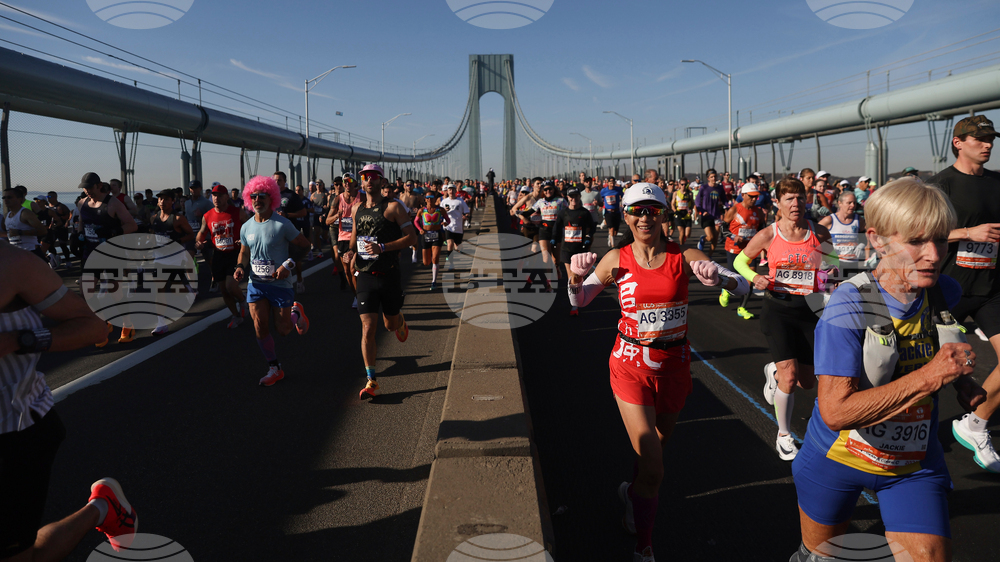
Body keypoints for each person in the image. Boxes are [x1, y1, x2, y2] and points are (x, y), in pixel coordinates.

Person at [789, 178, 984, 562]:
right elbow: (835, 411)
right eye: (915, 241)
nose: (932, 255)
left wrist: (962, 380)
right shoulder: (852, 304)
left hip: (912, 464)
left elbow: (931, 348)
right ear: (878, 240)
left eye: (941, 240)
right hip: (836, 461)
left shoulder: (943, 290)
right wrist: (932, 376)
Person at [567, 182, 748, 562]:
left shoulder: (685, 255)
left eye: (652, 210)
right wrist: (573, 279)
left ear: (663, 214)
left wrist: (721, 279)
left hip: (674, 367)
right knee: (652, 456)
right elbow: (580, 300)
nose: (644, 217)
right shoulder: (615, 258)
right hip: (630, 364)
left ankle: (634, 492)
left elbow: (743, 285)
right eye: (637, 211)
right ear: (627, 216)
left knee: (656, 453)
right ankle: (644, 546)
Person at [0, 242, 140, 560]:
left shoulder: (13, 264)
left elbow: (91, 326)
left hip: (16, 426)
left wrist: (15, 341)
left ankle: (102, 509)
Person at [733, 176, 837, 460]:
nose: (796, 204)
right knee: (790, 380)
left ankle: (774, 373)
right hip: (777, 311)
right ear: (778, 203)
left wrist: (829, 277)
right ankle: (784, 434)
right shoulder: (769, 234)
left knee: (806, 382)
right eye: (789, 199)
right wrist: (756, 277)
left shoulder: (818, 233)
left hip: (809, 312)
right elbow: (739, 261)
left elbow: (834, 263)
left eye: (800, 198)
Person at [929, 115, 1000, 473]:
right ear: (958, 142)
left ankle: (974, 424)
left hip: (991, 288)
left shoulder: (998, 182)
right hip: (948, 289)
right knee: (928, 372)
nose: (987, 145)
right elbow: (923, 230)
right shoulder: (941, 184)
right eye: (979, 139)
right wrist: (968, 231)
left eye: (991, 139)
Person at [234, 176, 311, 386]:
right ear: (249, 200)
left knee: (284, 330)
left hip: (279, 284)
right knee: (259, 324)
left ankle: (295, 312)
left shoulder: (282, 224)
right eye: (254, 196)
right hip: (256, 284)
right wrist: (240, 267)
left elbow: (305, 246)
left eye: (262, 196)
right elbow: (243, 252)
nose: (258, 200)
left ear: (272, 198)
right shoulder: (246, 227)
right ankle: (274, 367)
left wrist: (288, 265)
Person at [350, 164, 417, 399]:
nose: (368, 180)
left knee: (389, 325)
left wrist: (383, 247)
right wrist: (350, 254)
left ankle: (399, 321)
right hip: (366, 274)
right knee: (368, 328)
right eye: (364, 177)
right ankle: (372, 380)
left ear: (381, 181)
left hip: (389, 274)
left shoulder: (393, 207)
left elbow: (412, 238)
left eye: (373, 177)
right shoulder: (356, 208)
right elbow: (355, 236)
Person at [197, 184, 249, 329]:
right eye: (214, 195)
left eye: (220, 195)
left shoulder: (237, 212)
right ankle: (236, 316)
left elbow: (250, 228)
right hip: (218, 254)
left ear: (226, 197)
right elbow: (202, 232)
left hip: (235, 253)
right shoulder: (207, 216)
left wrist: (245, 240)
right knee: (224, 290)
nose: (216, 198)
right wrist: (198, 242)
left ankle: (242, 299)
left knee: (231, 286)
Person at [721, 184, 767, 319]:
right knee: (733, 276)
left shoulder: (759, 212)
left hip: (750, 250)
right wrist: (734, 236)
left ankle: (742, 307)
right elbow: (723, 229)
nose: (754, 199)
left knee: (750, 279)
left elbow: (762, 231)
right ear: (743, 195)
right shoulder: (735, 209)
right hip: (733, 248)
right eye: (751, 196)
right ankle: (726, 289)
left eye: (756, 196)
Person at [553, 188, 595, 315]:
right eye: (571, 197)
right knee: (571, 276)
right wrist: (554, 239)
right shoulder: (563, 213)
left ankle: (578, 298)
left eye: (576, 196)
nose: (574, 199)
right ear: (568, 197)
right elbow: (556, 227)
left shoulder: (585, 213)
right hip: (567, 249)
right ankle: (574, 305)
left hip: (580, 249)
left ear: (579, 197)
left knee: (578, 277)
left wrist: (588, 238)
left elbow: (591, 228)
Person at [327, 173, 365, 306]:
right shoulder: (338, 199)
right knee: (348, 271)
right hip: (343, 238)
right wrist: (337, 215)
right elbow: (327, 221)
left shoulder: (362, 197)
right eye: (344, 181)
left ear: (355, 183)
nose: (347, 183)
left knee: (355, 269)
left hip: (359, 237)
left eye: (349, 180)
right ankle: (356, 295)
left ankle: (361, 295)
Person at [274, 172, 309, 293]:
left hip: (291, 231)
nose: (277, 183)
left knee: (293, 258)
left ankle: (299, 278)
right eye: (275, 180)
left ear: (285, 181)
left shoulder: (291, 195)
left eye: (279, 180)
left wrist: (287, 215)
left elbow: (303, 212)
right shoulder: (270, 196)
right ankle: (281, 284)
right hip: (275, 233)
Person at [819, 190, 868, 276]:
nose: (852, 205)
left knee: (849, 288)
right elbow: (813, 235)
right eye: (849, 203)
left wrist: (862, 245)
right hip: (835, 263)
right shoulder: (830, 220)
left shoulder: (858, 220)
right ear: (840, 203)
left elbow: (866, 236)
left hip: (852, 263)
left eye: (854, 203)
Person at [413, 191, 450, 290]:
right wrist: (420, 229)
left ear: (435, 198)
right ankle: (433, 269)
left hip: (437, 235)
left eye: (431, 197)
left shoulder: (440, 210)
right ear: (425, 199)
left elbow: (448, 219)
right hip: (425, 236)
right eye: (427, 197)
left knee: (435, 258)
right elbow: (416, 221)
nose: (429, 199)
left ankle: (434, 281)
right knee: (426, 262)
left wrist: (445, 223)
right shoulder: (421, 210)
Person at [2, 187, 48, 260]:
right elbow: (9, 233)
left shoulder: (25, 213)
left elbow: (43, 231)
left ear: (19, 199)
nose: (6, 200)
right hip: (15, 252)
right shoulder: (6, 216)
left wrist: (20, 232)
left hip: (30, 252)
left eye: (9, 197)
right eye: (4, 197)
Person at [532, 181, 567, 273]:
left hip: (557, 231)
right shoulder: (540, 202)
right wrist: (519, 213)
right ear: (543, 191)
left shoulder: (561, 201)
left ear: (554, 189)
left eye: (550, 189)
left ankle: (556, 267)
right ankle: (549, 284)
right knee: (546, 259)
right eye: (545, 189)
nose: (548, 191)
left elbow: (569, 212)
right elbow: (530, 211)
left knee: (556, 260)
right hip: (544, 230)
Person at [694, 169, 725, 257]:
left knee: (715, 239)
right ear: (708, 178)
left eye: (715, 176)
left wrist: (729, 207)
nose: (714, 178)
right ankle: (703, 239)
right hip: (706, 216)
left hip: (716, 215)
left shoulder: (719, 188)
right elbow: (697, 202)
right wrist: (702, 211)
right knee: (710, 237)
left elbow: (724, 200)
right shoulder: (704, 188)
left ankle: (709, 256)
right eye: (712, 177)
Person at [440, 184, 471, 271]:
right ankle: (451, 264)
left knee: (458, 247)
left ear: (455, 191)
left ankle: (458, 250)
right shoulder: (444, 201)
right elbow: (439, 213)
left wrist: (465, 216)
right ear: (447, 191)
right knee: (449, 244)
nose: (451, 191)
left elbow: (467, 212)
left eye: (453, 189)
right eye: (449, 190)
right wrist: (444, 212)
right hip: (448, 226)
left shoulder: (460, 201)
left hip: (458, 227)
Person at [599, 177, 624, 249]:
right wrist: (601, 205)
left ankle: (611, 237)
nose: (612, 184)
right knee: (611, 229)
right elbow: (601, 198)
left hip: (616, 211)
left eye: (613, 183)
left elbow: (623, 197)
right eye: (610, 183)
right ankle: (613, 246)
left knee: (615, 231)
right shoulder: (604, 191)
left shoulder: (618, 189)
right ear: (608, 183)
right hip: (608, 212)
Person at [670, 179, 695, 246]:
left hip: (687, 214)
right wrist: (675, 211)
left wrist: (691, 209)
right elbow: (672, 204)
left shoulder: (690, 193)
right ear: (679, 185)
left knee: (687, 234)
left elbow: (692, 203)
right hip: (679, 214)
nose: (683, 186)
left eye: (685, 184)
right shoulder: (676, 193)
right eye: (682, 184)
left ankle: (683, 239)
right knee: (681, 233)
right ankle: (681, 247)